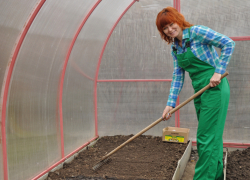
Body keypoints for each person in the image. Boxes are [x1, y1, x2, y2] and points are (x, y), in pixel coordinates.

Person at [156, 7, 235, 180]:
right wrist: (170, 104)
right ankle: (215, 176)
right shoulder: (176, 48)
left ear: (178, 20)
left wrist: (218, 72)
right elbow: (178, 76)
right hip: (199, 89)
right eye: (165, 28)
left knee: (205, 136)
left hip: (215, 87)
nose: (170, 29)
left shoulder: (197, 32)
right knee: (212, 136)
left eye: (171, 24)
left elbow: (228, 43)